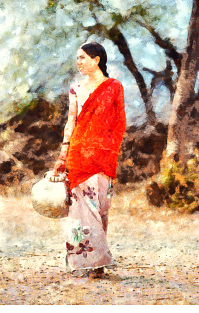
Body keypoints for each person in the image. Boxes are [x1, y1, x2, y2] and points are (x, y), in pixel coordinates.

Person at [53, 42, 126, 278]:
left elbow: (119, 123)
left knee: (100, 209)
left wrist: (111, 150)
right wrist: (63, 155)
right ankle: (86, 262)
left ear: (96, 60)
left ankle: (98, 262)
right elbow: (71, 123)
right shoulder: (76, 89)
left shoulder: (114, 87)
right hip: (78, 156)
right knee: (81, 212)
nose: (78, 62)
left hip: (103, 156)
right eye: (77, 58)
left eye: (82, 58)